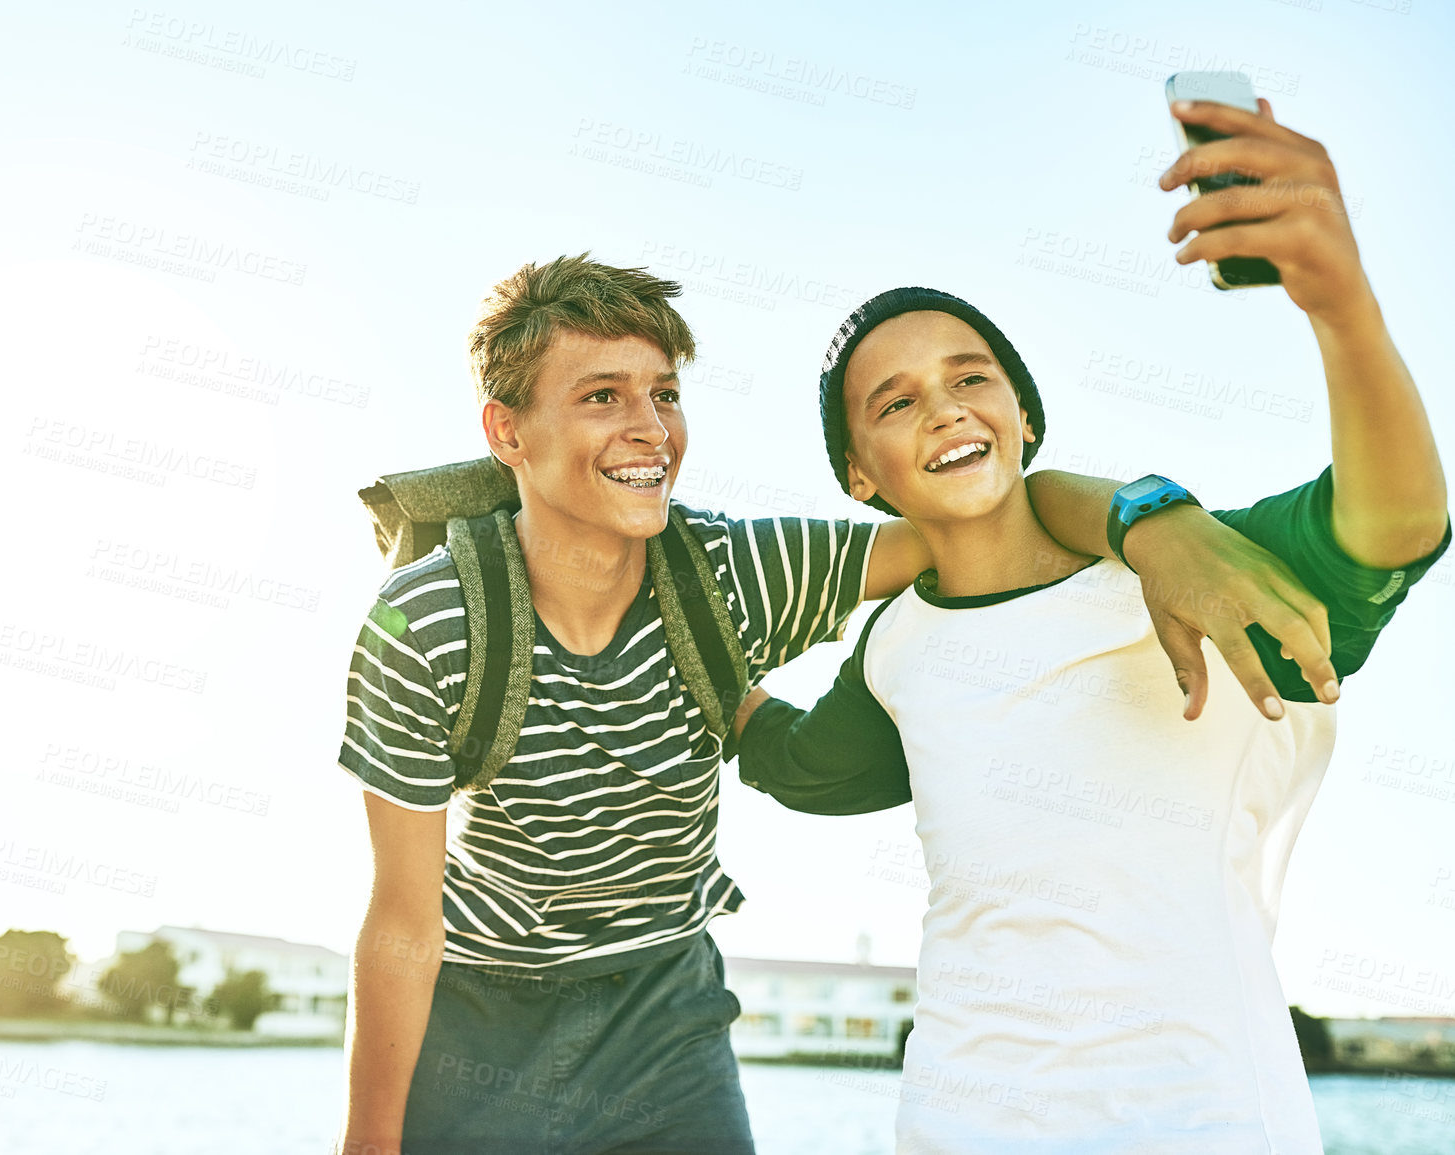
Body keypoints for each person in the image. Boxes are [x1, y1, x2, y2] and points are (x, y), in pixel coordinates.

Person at [332, 253, 1340, 1155]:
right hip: (480, 1010)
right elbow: (403, 919)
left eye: (666, 393)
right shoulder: (427, 624)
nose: (650, 429)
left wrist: (1143, 521)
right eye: (603, 395)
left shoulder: (730, 575)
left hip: (663, 1010)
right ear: (506, 430)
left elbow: (985, 517)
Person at [733, 97, 1449, 1152]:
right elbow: (796, 763)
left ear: (1025, 414)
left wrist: (1339, 305)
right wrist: (641, 620)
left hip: (1203, 1126)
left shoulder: (1187, 567)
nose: (944, 408)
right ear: (860, 474)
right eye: (894, 402)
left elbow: (1393, 523)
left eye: (971, 377)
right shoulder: (893, 651)